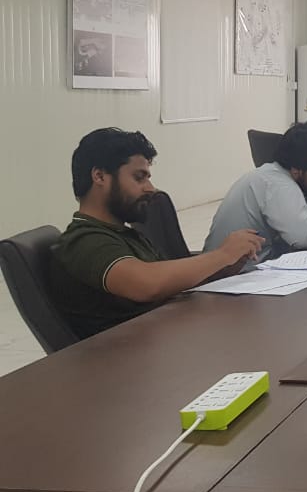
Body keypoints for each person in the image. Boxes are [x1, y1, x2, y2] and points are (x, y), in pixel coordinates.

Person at [49, 128, 263, 338]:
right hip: (127, 360)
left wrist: (226, 267)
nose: (150, 188)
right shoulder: (84, 240)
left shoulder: (124, 234)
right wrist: (222, 255)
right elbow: (146, 285)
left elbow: (171, 285)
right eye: (139, 178)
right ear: (99, 176)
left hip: (164, 338)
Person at [203, 120, 307, 266]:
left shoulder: (271, 175)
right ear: (296, 169)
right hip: (230, 280)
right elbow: (303, 235)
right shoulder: (277, 184)